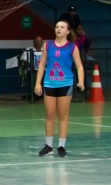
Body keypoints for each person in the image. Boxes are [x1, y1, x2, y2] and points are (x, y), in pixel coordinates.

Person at [34, 20, 85, 157]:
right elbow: (41, 65)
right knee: (50, 115)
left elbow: (79, 66)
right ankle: (48, 146)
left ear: (67, 31)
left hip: (65, 84)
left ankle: (61, 146)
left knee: (63, 116)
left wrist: (81, 81)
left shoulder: (72, 47)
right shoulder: (47, 45)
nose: (58, 29)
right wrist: (38, 83)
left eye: (62, 27)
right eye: (57, 27)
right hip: (49, 84)